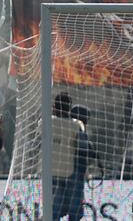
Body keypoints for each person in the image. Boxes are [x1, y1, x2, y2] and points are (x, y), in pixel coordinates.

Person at [51, 92, 86, 220]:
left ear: (54, 106)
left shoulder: (45, 123)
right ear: (70, 107)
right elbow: (83, 150)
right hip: (72, 173)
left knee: (54, 210)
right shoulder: (77, 125)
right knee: (75, 212)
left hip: (52, 172)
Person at [66, 104, 96, 221]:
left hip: (62, 174)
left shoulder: (65, 127)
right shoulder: (78, 129)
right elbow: (84, 151)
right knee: (76, 212)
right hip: (75, 176)